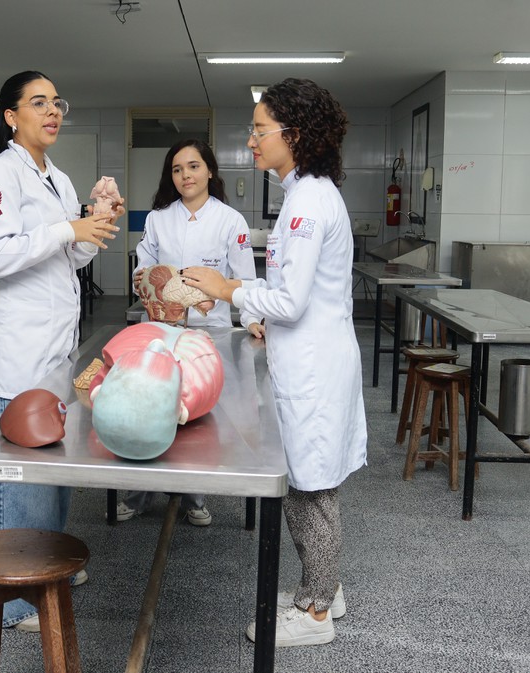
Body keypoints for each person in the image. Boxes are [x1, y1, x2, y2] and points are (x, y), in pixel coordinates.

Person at [181, 78, 367, 647]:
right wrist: (252, 306)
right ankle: (324, 585)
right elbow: (293, 291)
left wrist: (231, 288)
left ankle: (314, 613)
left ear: (295, 133)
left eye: (260, 129)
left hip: (315, 365)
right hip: (308, 354)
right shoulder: (304, 194)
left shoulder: (308, 202)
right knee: (311, 482)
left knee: (311, 488)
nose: (252, 139)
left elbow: (290, 299)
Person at [0, 70, 122, 632]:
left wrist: (93, 226)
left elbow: (70, 261)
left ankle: (47, 569)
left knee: (51, 472)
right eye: (38, 103)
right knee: (14, 480)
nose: (52, 112)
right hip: (14, 355)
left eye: (57, 102)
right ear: (11, 116)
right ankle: (11, 601)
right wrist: (67, 230)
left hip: (55, 352)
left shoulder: (56, 177)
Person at [117, 138, 260, 527]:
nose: (186, 175)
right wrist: (156, 288)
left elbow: (244, 280)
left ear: (210, 170)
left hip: (209, 333)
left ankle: (194, 496)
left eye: (194, 166)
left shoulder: (231, 221)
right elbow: (141, 273)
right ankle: (138, 493)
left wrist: (249, 321)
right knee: (151, 406)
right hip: (162, 330)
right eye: (178, 169)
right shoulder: (158, 218)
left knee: (198, 412)